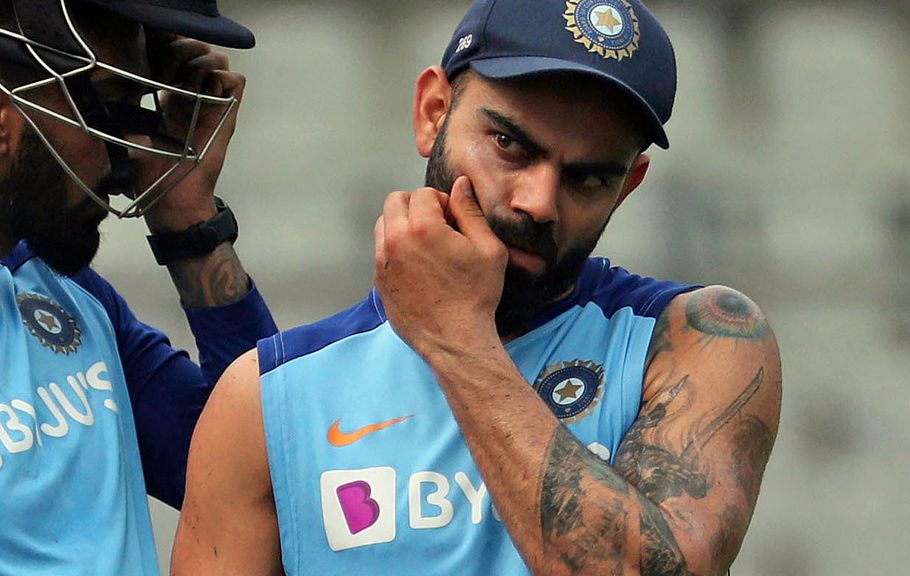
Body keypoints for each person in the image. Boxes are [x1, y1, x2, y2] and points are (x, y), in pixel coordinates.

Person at [173, 0, 782, 574]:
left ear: (628, 186)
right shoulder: (269, 396)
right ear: (432, 112)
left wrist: (459, 337)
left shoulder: (698, 339)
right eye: (509, 145)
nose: (538, 203)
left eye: (589, 178)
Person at [0, 0, 276, 574]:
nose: (127, 155)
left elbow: (265, 481)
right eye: (105, 106)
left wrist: (188, 220)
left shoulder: (66, 294)